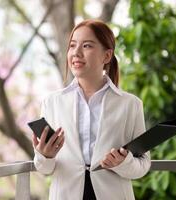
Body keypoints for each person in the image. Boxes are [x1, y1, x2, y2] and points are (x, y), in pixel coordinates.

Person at [31, 19, 151, 200]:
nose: (76, 53)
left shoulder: (130, 105)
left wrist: (122, 162)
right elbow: (44, 169)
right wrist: (45, 156)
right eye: (72, 46)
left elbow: (143, 165)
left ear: (107, 56)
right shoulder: (52, 102)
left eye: (86, 46)